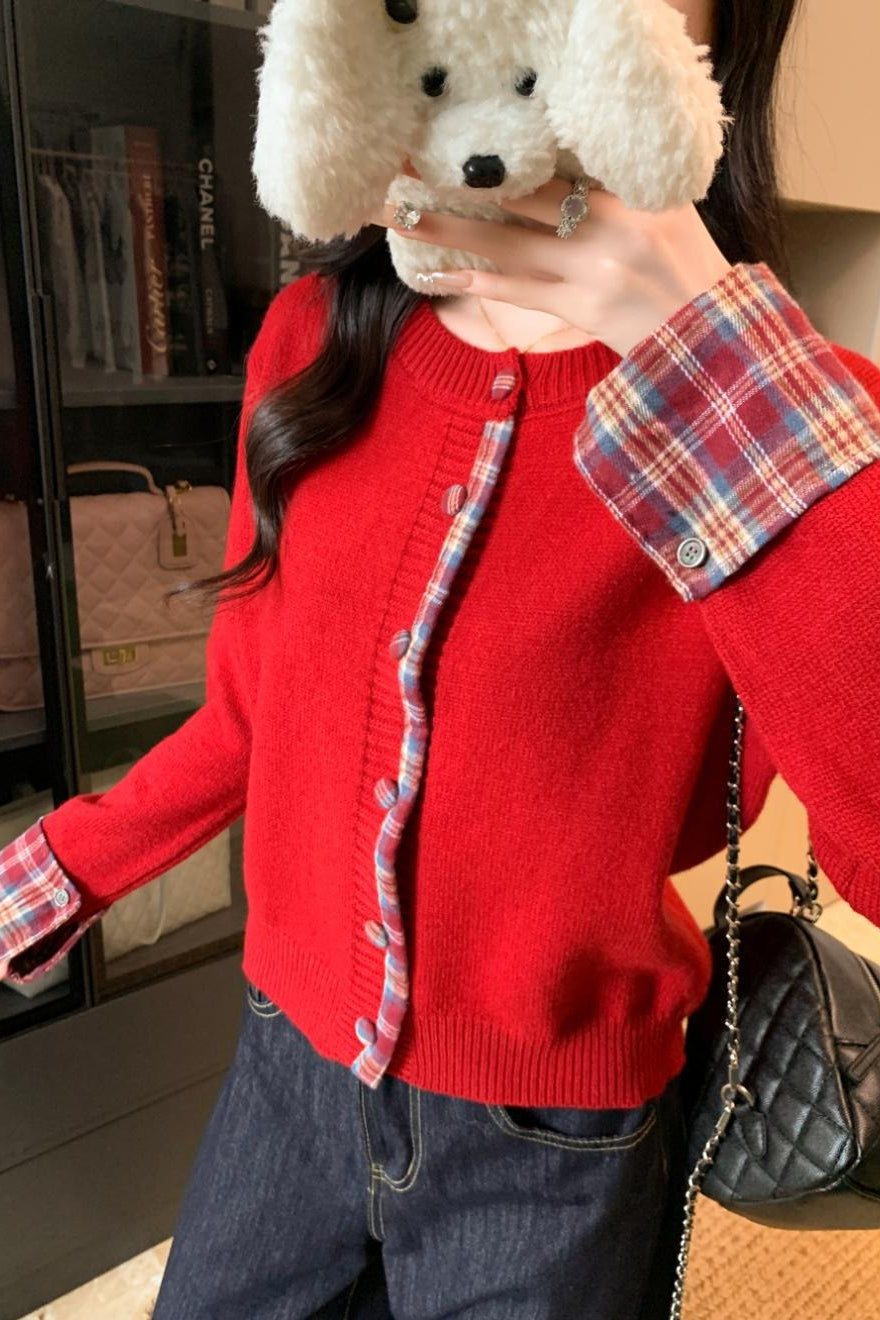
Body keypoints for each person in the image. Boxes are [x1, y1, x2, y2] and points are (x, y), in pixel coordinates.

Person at [3, 0, 880, 1315]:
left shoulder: (803, 423)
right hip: (286, 1069)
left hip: (557, 1137)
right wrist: (48, 872)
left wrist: (713, 360)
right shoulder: (311, 341)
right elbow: (249, 717)